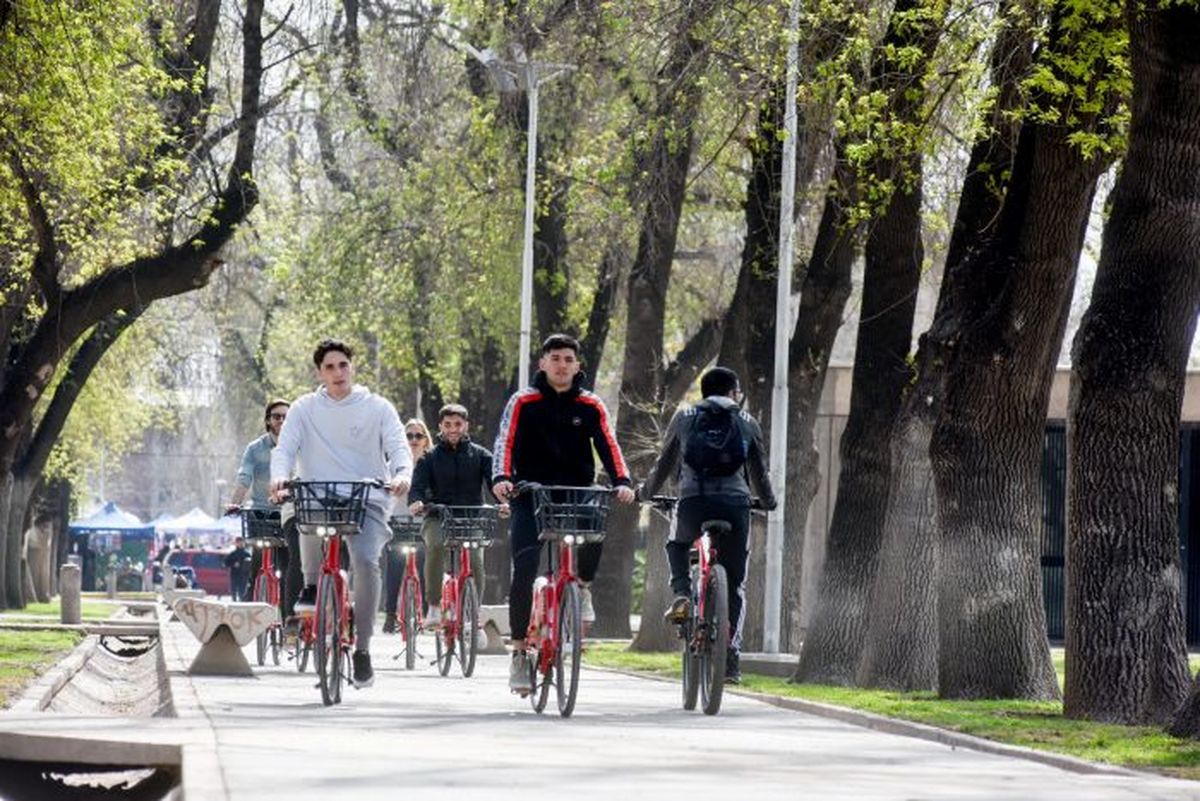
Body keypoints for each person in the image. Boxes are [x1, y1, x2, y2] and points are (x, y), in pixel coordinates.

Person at [492, 333, 635, 693]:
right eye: (555, 358)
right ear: (543, 363)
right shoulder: (523, 401)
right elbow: (505, 441)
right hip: (530, 493)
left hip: (576, 492)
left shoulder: (590, 404)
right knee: (525, 568)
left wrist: (622, 481)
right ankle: (520, 653)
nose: (561, 365)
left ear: (577, 365)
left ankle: (581, 588)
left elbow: (609, 444)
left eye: (568, 359)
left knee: (596, 525)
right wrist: (502, 478)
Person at [269, 338, 412, 688]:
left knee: (365, 561)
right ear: (320, 372)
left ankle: (362, 649)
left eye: (343, 365)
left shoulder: (377, 407)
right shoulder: (304, 408)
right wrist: (279, 477)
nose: (338, 373)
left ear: (352, 367)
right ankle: (311, 586)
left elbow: (398, 446)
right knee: (304, 513)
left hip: (367, 498)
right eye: (330, 367)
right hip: (318, 495)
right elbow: (285, 449)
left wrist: (401, 475)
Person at [639, 366, 777, 684]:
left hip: (693, 502)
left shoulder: (685, 417)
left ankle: (682, 594)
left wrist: (644, 494)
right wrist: (768, 502)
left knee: (676, 543)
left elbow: (665, 462)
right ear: (733, 392)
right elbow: (759, 471)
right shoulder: (746, 421)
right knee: (735, 585)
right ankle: (731, 658)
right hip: (735, 505)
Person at [408, 403, 497, 650]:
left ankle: (474, 617)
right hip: (437, 517)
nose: (453, 429)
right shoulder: (429, 457)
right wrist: (416, 501)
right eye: (447, 425)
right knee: (436, 545)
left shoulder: (481, 455)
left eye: (458, 424)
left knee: (476, 559)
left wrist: (503, 502)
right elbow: (417, 487)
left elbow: (494, 484)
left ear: (466, 425)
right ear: (440, 426)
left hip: (471, 518)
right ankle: (434, 606)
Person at [227, 399, 300, 621]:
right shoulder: (255, 449)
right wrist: (235, 502)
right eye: (276, 416)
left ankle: (288, 622)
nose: (281, 421)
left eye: (286, 417)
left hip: (289, 512)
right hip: (261, 513)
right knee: (257, 564)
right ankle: (248, 618)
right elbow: (244, 477)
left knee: (289, 567)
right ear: (268, 420)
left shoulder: (300, 446)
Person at [382, 418, 432, 633]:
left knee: (425, 565)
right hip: (398, 521)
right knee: (394, 565)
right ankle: (390, 614)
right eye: (409, 435)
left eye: (418, 435)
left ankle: (429, 612)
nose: (413, 439)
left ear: (425, 439)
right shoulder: (393, 464)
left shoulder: (432, 462)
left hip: (424, 522)